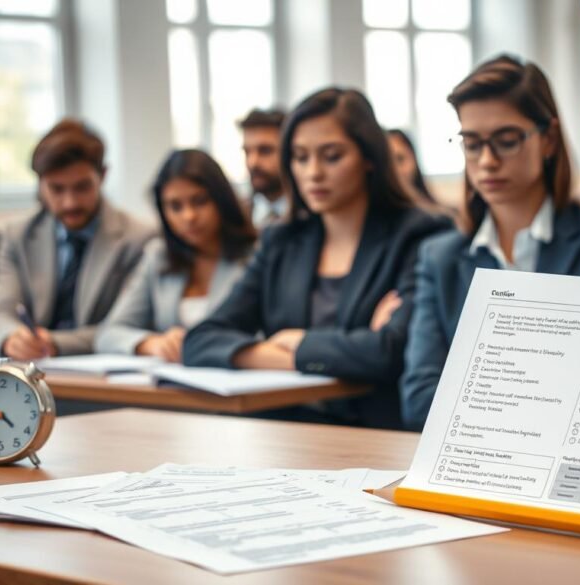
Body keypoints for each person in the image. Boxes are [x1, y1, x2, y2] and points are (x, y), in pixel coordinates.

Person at [400, 55, 580, 431]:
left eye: (506, 140)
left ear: (548, 139)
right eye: (472, 143)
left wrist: (480, 397)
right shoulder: (440, 257)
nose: (486, 161)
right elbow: (419, 399)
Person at [184, 88, 450, 429]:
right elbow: (201, 340)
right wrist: (295, 355)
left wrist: (299, 343)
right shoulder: (281, 240)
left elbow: (392, 351)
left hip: (375, 434)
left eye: (332, 156)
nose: (313, 173)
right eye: (300, 157)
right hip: (283, 432)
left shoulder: (420, 234)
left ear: (369, 157)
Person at [0, 119, 156, 360]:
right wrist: (13, 338)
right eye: (56, 189)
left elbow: (126, 327)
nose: (70, 202)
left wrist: (56, 343)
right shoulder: (17, 235)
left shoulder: (140, 238)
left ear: (103, 176)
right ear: (40, 183)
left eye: (82, 187)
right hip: (31, 369)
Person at [95, 150, 257, 361]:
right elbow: (108, 334)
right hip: (171, 388)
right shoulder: (158, 256)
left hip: (240, 383)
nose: (189, 216)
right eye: (175, 206)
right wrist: (152, 344)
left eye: (199, 201)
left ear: (222, 200)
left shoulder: (256, 255)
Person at [240, 108, 288, 228]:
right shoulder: (238, 216)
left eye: (265, 151)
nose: (252, 163)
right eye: (247, 152)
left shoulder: (313, 214)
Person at [387, 129, 440, 208]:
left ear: (414, 159)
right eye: (387, 162)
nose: (395, 170)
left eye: (400, 159)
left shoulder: (439, 216)